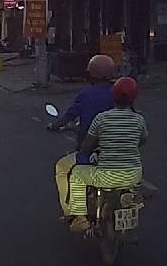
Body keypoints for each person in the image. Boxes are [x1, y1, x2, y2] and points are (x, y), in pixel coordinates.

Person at [63, 76, 147, 233]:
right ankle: (133, 201)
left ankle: (80, 219)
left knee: (76, 174)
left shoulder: (101, 118)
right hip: (133, 175)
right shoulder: (139, 120)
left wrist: (86, 151)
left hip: (107, 176)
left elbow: (86, 146)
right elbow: (142, 141)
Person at [50, 54, 117, 211]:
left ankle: (75, 214)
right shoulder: (118, 94)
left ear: (90, 74)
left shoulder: (86, 95)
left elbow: (69, 116)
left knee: (63, 169)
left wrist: (54, 125)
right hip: (115, 151)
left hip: (89, 149)